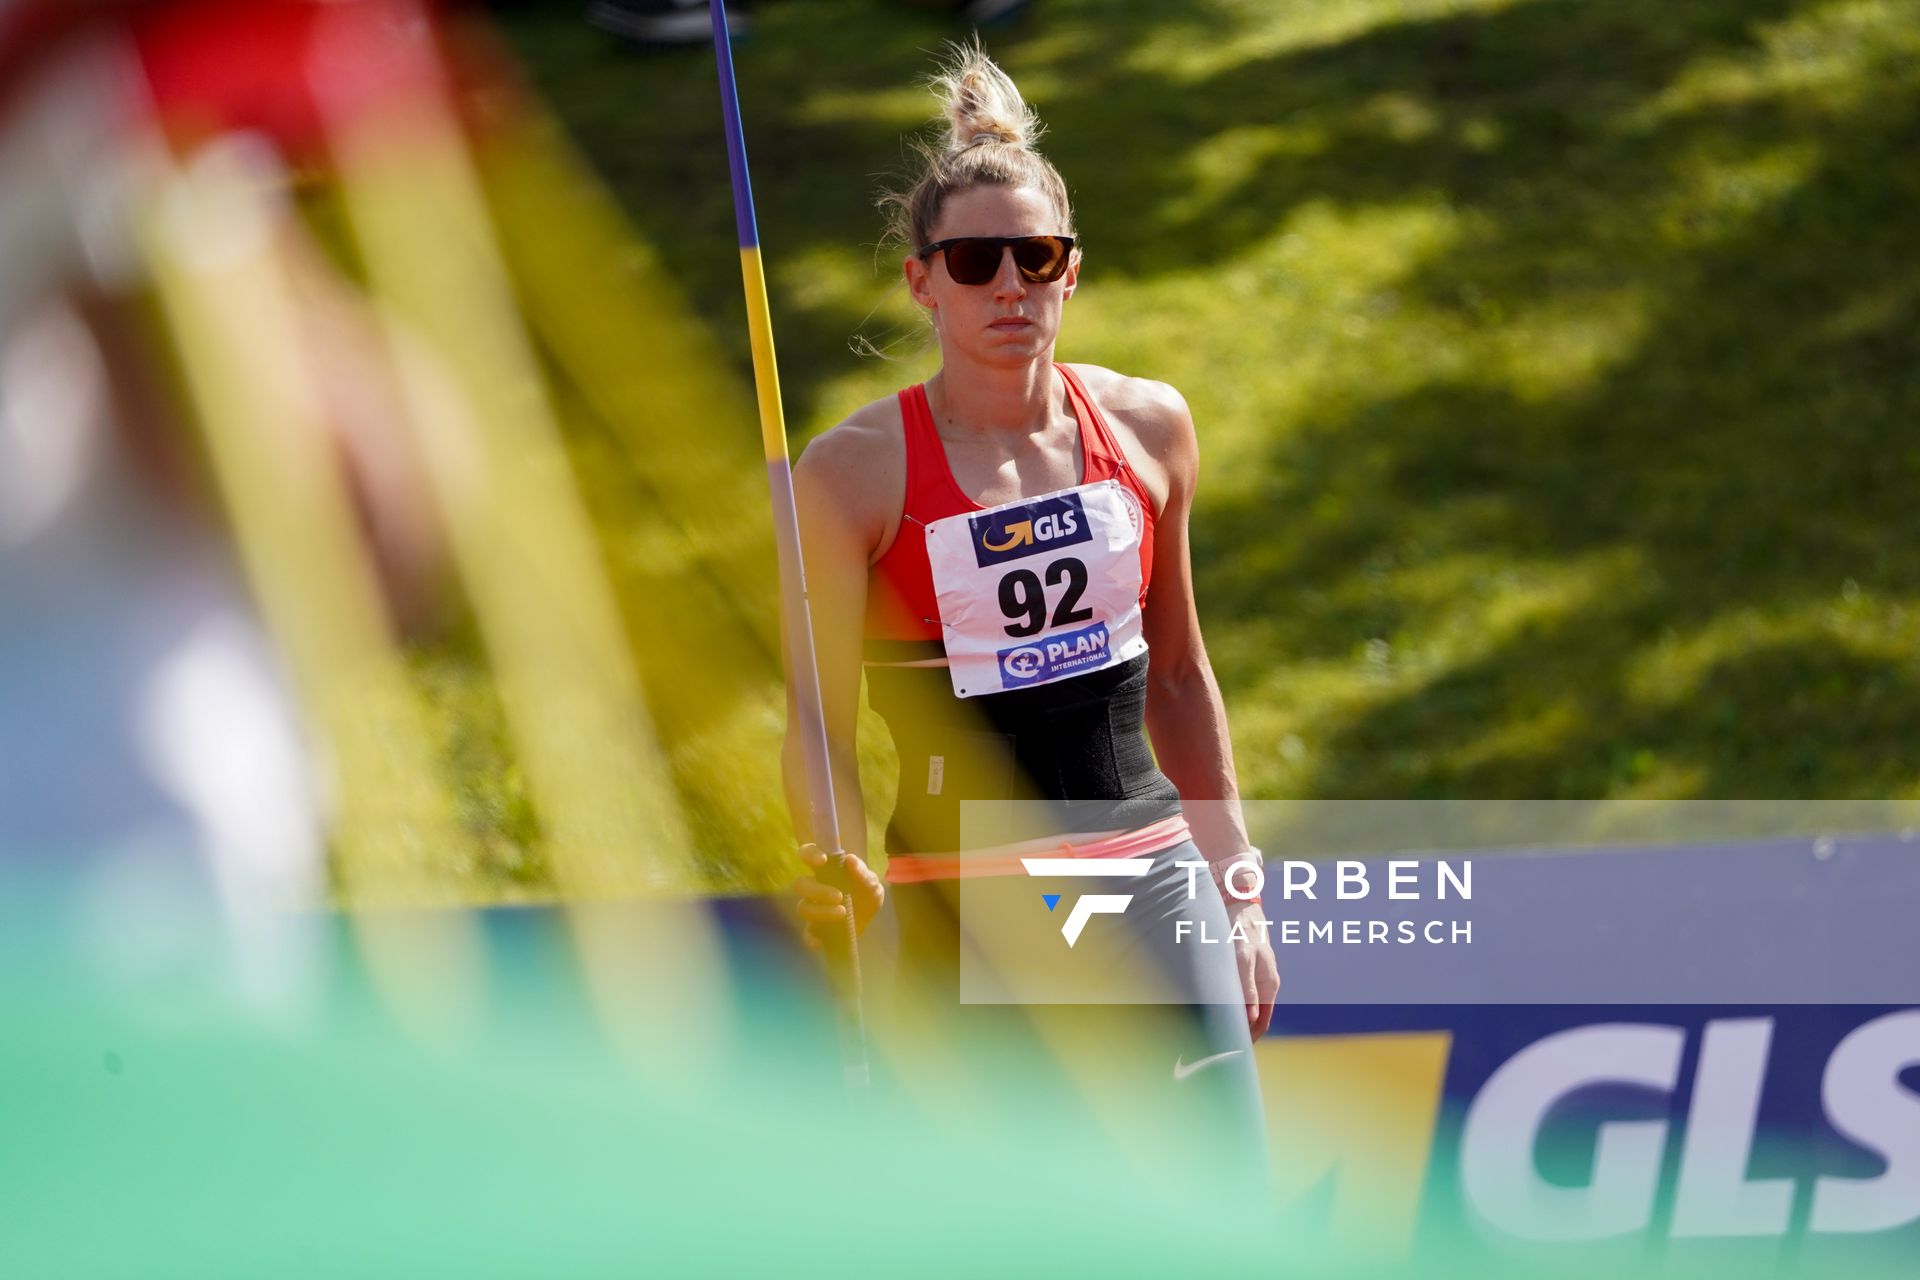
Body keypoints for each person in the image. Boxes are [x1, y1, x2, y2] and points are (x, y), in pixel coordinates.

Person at [784, 42, 1277, 1159]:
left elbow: (1185, 673)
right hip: (964, 900)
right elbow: (815, 714)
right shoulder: (855, 471)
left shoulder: (1148, 428)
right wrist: (831, 863)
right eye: (974, 262)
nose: (1010, 285)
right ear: (922, 279)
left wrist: (1238, 891)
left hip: (1147, 873)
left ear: (1071, 269)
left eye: (1036, 256)